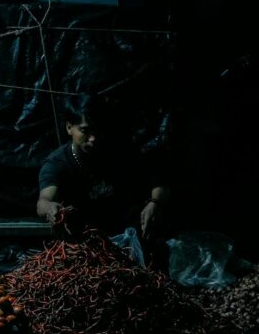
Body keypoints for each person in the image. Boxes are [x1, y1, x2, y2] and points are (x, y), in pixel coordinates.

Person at [36, 94, 169, 243]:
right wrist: (49, 208)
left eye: (97, 130)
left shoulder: (118, 150)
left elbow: (157, 179)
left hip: (122, 230)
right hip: (81, 239)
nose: (93, 138)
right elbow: (44, 201)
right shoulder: (57, 163)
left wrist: (155, 202)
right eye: (85, 131)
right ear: (69, 127)